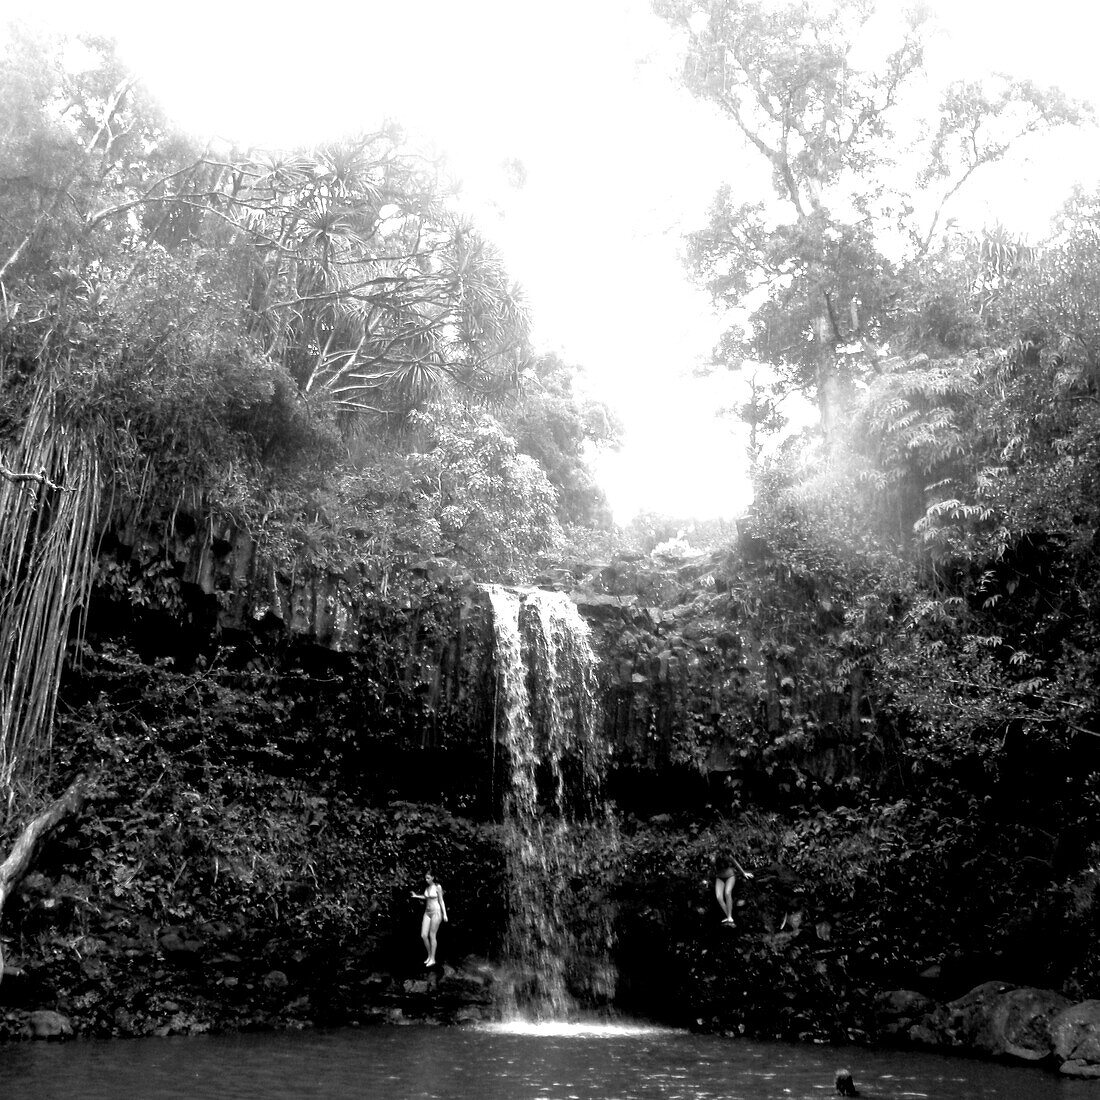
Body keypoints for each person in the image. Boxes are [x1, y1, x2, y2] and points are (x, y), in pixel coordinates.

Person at [411, 870, 448, 966]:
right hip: (427, 913)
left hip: (436, 912)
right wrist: (416, 896)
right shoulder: (427, 888)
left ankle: (433, 959)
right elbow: (425, 897)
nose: (426, 880)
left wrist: (445, 914)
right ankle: (429, 955)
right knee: (423, 935)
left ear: (433, 878)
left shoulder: (437, 887)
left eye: (428, 878)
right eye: (425, 878)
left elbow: (441, 901)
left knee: (432, 935)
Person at [714, 853, 753, 925]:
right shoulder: (714, 856)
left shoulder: (727, 855)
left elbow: (736, 863)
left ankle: (729, 917)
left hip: (730, 876)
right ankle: (729, 917)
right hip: (719, 877)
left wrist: (744, 873)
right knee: (719, 897)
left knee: (727, 893)